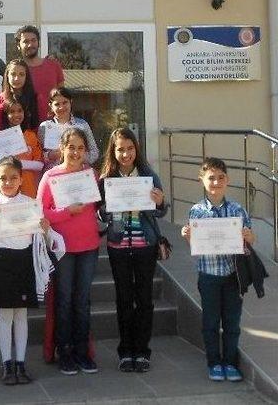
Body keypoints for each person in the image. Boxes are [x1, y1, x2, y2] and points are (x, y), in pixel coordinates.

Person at [0, 156, 49, 385]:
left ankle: (21, 363)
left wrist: (44, 228)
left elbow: (40, 233)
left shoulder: (30, 202)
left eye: (13, 177)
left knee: (21, 314)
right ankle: (7, 363)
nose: (8, 182)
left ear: (21, 179)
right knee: (5, 315)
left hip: (24, 261)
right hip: (2, 261)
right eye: (3, 178)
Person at [98, 128, 167, 373]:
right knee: (124, 300)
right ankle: (126, 351)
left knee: (144, 300)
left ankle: (142, 351)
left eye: (130, 148)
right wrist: (105, 209)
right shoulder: (106, 178)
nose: (125, 154)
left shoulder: (149, 175)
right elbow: (99, 216)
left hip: (145, 245)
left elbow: (160, 212)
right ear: (113, 152)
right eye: (120, 149)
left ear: (136, 149)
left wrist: (159, 202)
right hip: (118, 246)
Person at [181, 157, 255, 382]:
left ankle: (230, 363)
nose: (216, 182)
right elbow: (195, 245)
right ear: (202, 180)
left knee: (232, 322)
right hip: (209, 276)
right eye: (211, 178)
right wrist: (188, 236)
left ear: (227, 181)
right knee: (210, 322)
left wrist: (248, 236)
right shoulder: (196, 212)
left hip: (233, 276)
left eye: (220, 178)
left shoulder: (237, 209)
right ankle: (214, 362)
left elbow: (250, 239)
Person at [37, 128, 101, 375]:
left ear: (86, 152)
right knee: (63, 301)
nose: (75, 152)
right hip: (63, 249)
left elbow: (100, 204)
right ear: (62, 148)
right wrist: (67, 212)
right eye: (71, 147)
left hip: (89, 246)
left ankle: (82, 352)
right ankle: (64, 353)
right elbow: (40, 213)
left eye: (80, 148)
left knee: (82, 301)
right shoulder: (50, 176)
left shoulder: (91, 175)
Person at [38, 87, 99, 169]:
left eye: (65, 102)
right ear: (51, 106)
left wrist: (77, 156)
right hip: (54, 175)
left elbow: (94, 153)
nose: (61, 107)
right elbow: (38, 155)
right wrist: (49, 155)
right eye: (57, 104)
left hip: (78, 173)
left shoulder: (82, 125)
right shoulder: (44, 127)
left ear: (71, 102)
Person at [14, 25, 64, 123]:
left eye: (33, 40)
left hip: (54, 125)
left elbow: (63, 96)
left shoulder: (53, 65)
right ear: (18, 45)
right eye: (26, 41)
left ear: (38, 43)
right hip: (26, 126)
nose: (30, 45)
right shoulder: (16, 71)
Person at [0, 99, 43, 198]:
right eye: (12, 112)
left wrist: (18, 163)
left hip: (28, 188)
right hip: (7, 189)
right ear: (6, 115)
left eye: (20, 111)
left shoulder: (31, 136)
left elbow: (40, 165)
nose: (16, 114)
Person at [0, 59, 41, 132]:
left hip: (31, 141)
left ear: (26, 77)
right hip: (6, 141)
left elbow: (38, 125)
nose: (17, 79)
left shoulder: (34, 98)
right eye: (13, 74)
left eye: (21, 74)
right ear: (7, 75)